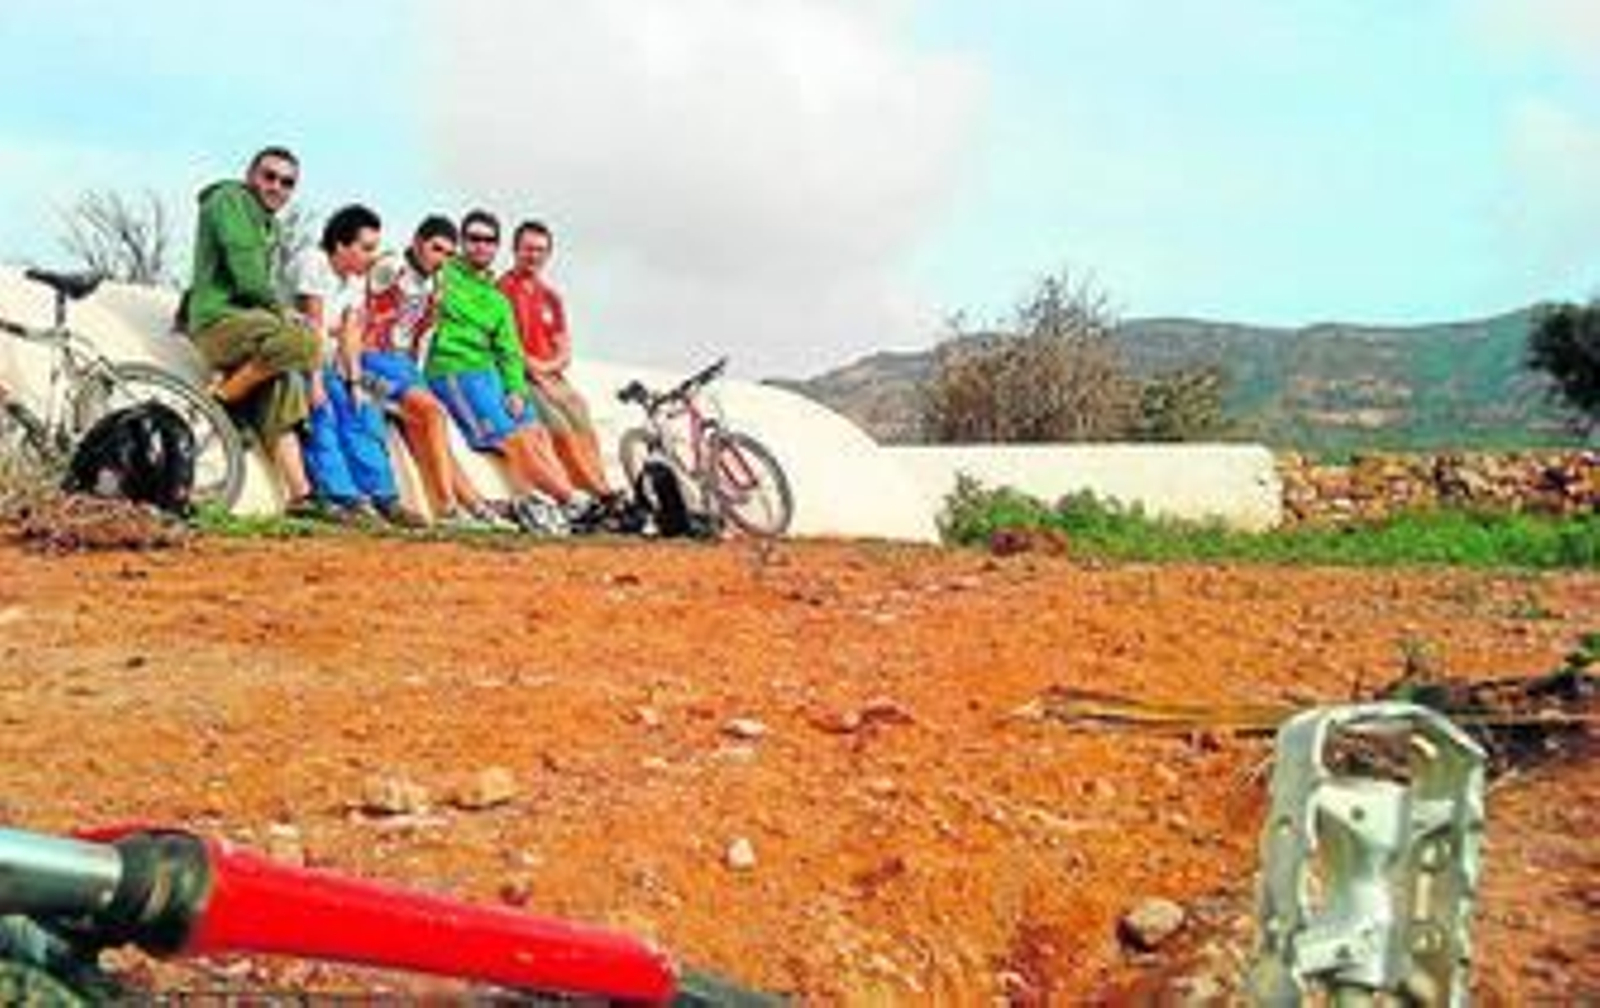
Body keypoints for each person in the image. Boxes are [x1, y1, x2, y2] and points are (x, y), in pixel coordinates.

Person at [426, 209, 592, 533]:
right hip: (454, 370)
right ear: (462, 242)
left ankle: (557, 503)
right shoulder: (443, 274)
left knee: (537, 432)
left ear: (497, 247)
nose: (481, 246)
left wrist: (515, 388)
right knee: (514, 438)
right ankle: (572, 500)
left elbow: (510, 351)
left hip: (491, 373)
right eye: (473, 239)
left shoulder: (496, 299)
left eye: (489, 241)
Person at [182, 146, 320, 512]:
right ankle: (225, 400)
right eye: (269, 176)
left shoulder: (269, 223)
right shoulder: (230, 199)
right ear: (250, 175)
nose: (277, 187)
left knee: (284, 381)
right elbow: (246, 274)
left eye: (287, 182)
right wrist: (282, 312)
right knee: (305, 339)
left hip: (250, 327)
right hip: (218, 320)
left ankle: (302, 495)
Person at [365, 216, 509, 528]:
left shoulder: (436, 281)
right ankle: (447, 510)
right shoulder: (390, 266)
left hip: (404, 366)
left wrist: (416, 375)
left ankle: (476, 507)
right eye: (435, 249)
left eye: (447, 253)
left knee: (432, 434)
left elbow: (424, 333)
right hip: (374, 356)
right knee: (434, 414)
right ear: (417, 242)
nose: (440, 258)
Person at [291, 204, 415, 524]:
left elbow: (350, 332)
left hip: (330, 361)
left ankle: (383, 497)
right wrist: (316, 381)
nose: (371, 257)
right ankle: (341, 497)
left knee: (363, 408)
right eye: (366, 248)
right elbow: (313, 326)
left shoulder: (356, 280)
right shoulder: (314, 262)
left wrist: (356, 383)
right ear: (340, 245)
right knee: (324, 408)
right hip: (299, 357)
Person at [498, 221, 619, 506]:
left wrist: (548, 371)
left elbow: (564, 351)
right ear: (515, 249)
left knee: (581, 413)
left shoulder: (551, 297)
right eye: (528, 248)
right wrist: (538, 375)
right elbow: (507, 347)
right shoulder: (502, 290)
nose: (534, 256)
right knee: (558, 424)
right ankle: (594, 494)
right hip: (521, 375)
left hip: (549, 374)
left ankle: (602, 484)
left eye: (541, 250)